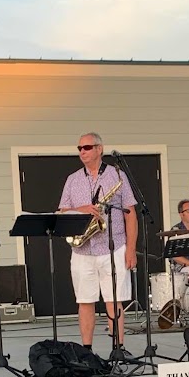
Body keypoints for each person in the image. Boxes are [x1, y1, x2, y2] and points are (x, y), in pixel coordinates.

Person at [58, 132, 137, 355]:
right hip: (82, 248)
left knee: (114, 300)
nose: (82, 152)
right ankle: (86, 351)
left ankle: (118, 348)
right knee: (85, 301)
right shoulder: (73, 179)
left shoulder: (117, 175)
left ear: (99, 149)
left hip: (114, 246)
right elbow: (61, 211)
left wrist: (131, 249)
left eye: (87, 147)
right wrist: (81, 209)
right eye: (79, 148)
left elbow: (130, 214)